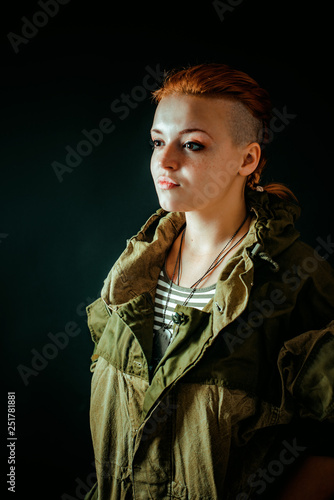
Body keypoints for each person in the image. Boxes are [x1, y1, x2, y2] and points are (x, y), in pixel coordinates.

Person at [84, 63, 334, 499]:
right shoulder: (131, 269)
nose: (165, 161)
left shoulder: (297, 279)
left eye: (193, 145)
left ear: (248, 158)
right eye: (157, 142)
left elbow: (330, 438)